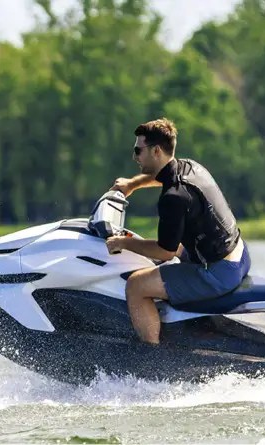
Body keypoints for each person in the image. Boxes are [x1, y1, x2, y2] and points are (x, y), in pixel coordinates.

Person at [106, 118, 251, 345]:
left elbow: (164, 251)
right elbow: (162, 176)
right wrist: (132, 184)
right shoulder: (191, 166)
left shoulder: (172, 199)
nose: (134, 157)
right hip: (240, 255)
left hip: (220, 273)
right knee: (174, 249)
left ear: (156, 151)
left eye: (138, 151)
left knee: (136, 285)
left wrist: (122, 242)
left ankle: (151, 358)